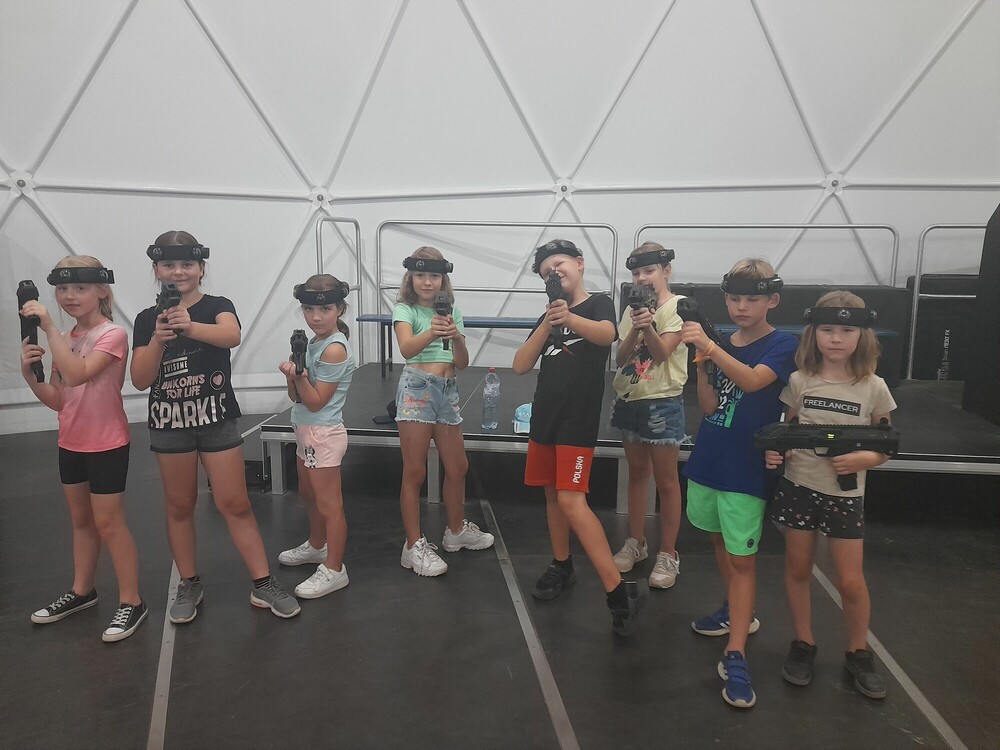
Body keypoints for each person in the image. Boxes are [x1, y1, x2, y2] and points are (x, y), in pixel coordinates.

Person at [131, 230, 299, 620]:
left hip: (216, 419)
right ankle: (189, 582)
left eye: (187, 264)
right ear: (156, 269)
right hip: (169, 423)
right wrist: (158, 339)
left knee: (234, 502)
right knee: (179, 505)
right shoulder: (145, 319)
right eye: (168, 265)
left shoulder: (218, 306)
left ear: (201, 268)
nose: (178, 271)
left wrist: (188, 326)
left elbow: (231, 334)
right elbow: (140, 379)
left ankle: (263, 583)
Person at [765, 291, 896, 700]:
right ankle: (803, 643)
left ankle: (858, 652)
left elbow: (887, 445)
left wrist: (864, 458)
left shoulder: (873, 387)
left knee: (851, 582)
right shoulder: (799, 382)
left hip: (845, 495)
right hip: (799, 486)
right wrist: (777, 451)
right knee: (797, 569)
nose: (836, 338)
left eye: (846, 330)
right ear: (813, 334)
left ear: (862, 336)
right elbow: (786, 432)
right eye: (827, 329)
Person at [513, 239, 647, 636]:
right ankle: (562, 563)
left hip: (576, 422)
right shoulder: (549, 316)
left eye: (559, 264)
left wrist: (568, 317)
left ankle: (617, 592)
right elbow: (521, 364)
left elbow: (607, 335)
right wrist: (549, 322)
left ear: (580, 263)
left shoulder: (598, 303)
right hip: (545, 419)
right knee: (552, 495)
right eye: (546, 273)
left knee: (572, 500)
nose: (554, 273)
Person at [679, 258, 797, 707]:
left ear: (773, 300)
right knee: (718, 541)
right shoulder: (724, 343)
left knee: (743, 559)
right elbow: (710, 407)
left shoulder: (782, 344)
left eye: (751, 299)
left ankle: (737, 653)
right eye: (734, 298)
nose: (742, 307)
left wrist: (710, 348)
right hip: (711, 458)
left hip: (745, 469)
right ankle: (734, 611)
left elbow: (751, 382)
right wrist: (702, 364)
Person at [20, 257, 147, 642]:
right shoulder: (66, 337)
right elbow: (60, 398)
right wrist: (30, 378)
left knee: (109, 523)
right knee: (81, 521)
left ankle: (132, 601)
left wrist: (48, 328)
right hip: (71, 442)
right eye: (62, 289)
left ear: (102, 290)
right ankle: (82, 591)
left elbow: (77, 374)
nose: (69, 296)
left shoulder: (113, 334)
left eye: (80, 288)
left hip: (106, 443)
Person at [392, 246, 494, 576]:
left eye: (434, 275)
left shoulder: (453, 311)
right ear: (411, 277)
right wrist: (433, 330)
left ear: (443, 279)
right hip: (417, 388)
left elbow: (461, 362)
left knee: (458, 466)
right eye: (420, 275)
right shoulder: (405, 310)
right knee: (414, 472)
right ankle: (412, 546)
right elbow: (406, 348)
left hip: (448, 390)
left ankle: (455, 531)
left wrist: (457, 337)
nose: (427, 281)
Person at [610, 242, 688, 589]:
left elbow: (661, 353)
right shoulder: (631, 309)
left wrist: (648, 326)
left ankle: (668, 552)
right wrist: (635, 324)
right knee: (637, 474)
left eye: (649, 271)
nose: (642, 278)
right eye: (636, 273)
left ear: (666, 271)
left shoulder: (677, 307)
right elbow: (620, 357)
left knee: (667, 480)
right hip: (630, 398)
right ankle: (636, 541)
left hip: (662, 401)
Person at [276, 275, 356, 599]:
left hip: (323, 434)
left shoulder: (334, 348)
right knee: (309, 495)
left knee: (330, 506)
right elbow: (296, 398)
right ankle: (317, 545)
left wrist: (299, 377)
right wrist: (292, 376)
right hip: (305, 431)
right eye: (309, 309)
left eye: (324, 310)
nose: (316, 317)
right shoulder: (312, 343)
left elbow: (316, 401)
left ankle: (335, 569)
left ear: (340, 309)